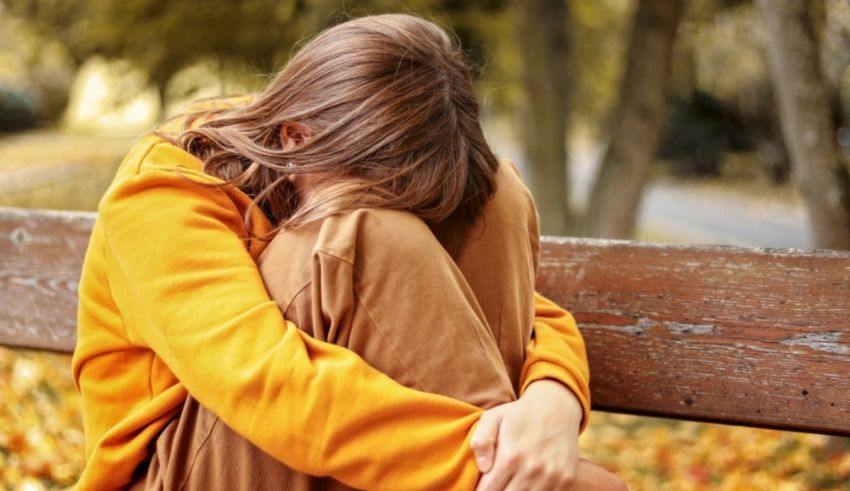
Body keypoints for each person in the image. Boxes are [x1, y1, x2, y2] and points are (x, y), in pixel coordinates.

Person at [73, 13, 624, 491]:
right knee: (367, 233)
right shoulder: (163, 191)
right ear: (295, 139)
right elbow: (266, 381)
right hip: (180, 468)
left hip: (341, 451)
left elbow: (536, 313)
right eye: (384, 199)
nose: (402, 219)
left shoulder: (345, 147)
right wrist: (492, 467)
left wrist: (553, 400)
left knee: (494, 193)